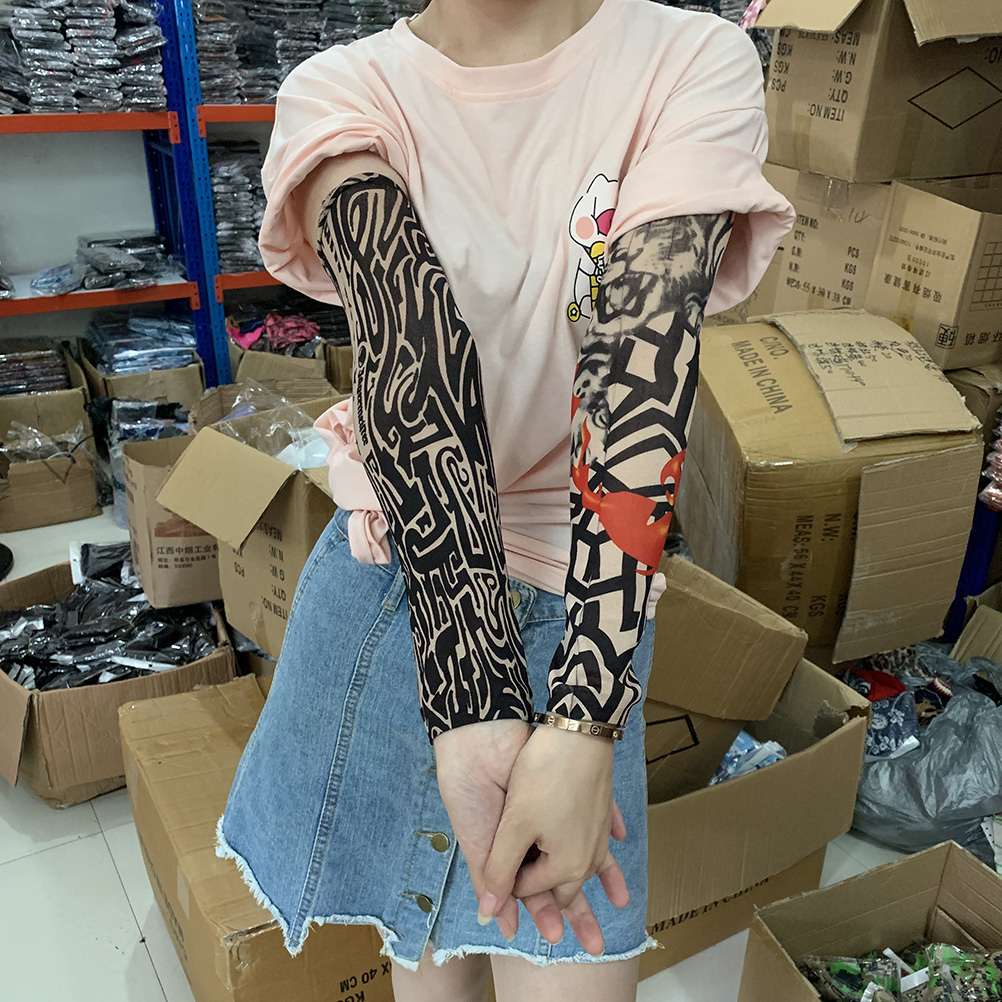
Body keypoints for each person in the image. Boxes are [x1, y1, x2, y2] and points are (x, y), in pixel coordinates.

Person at [215, 1, 794, 1000]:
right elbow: (413, 336)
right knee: (428, 976)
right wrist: (473, 707)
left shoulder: (691, 57)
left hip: (588, 611)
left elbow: (638, 370)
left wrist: (583, 719)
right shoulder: (344, 87)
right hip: (402, 596)